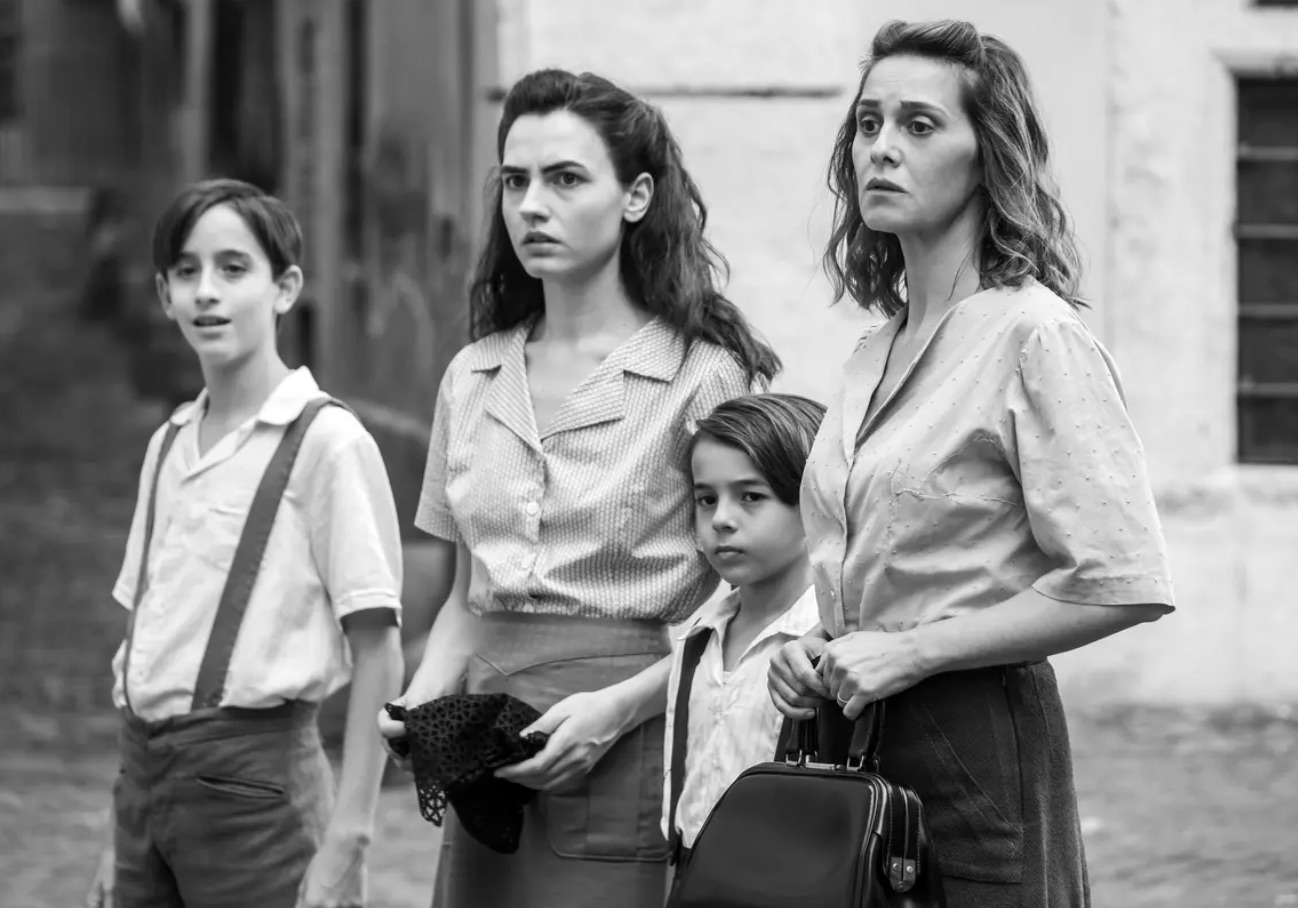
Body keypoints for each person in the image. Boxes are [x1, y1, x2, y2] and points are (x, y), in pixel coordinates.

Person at [768, 19, 1176, 908]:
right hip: (849, 729)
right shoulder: (871, 352)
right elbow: (878, 565)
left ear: (988, 156)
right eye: (868, 124)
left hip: (973, 735)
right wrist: (814, 647)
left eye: (919, 125)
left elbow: (1122, 581)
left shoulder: (1035, 336)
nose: (881, 147)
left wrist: (912, 653)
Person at [377, 68, 780, 908]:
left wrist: (618, 709)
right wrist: (419, 700)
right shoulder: (472, 375)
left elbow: (760, 602)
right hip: (484, 749)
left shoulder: (701, 376)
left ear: (636, 197)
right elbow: (467, 599)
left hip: (630, 732)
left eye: (564, 179)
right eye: (514, 181)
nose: (531, 206)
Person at [86, 179, 404, 908]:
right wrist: (119, 831)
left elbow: (379, 651)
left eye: (233, 269)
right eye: (187, 272)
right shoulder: (168, 444)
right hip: (144, 793)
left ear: (285, 287)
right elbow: (148, 643)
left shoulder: (326, 442)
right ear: (164, 295)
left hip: (259, 799)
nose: (207, 291)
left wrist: (349, 838)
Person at [661, 393, 826, 902]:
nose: (721, 519)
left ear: (815, 502)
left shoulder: (831, 640)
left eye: (751, 496)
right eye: (706, 499)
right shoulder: (697, 637)